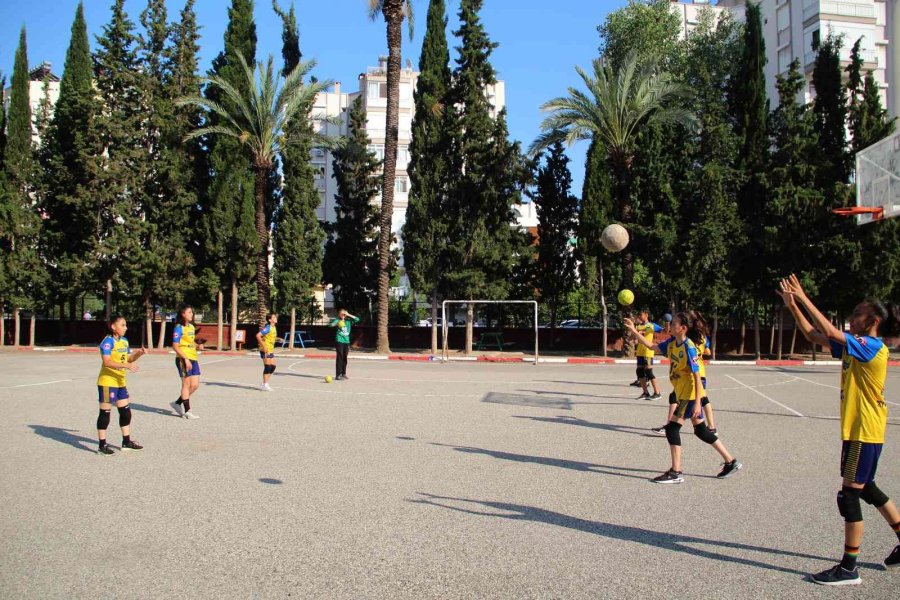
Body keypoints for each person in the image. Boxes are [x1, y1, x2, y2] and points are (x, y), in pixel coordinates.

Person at [779, 274, 900, 585]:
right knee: (866, 488)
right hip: (860, 431)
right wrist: (793, 306)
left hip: (863, 431)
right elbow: (813, 334)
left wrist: (804, 296)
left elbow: (831, 330)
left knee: (849, 496)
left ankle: (849, 568)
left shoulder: (871, 346)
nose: (852, 316)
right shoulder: (856, 347)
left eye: (858, 313)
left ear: (872, 320)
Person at [624, 313, 742, 483]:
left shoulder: (689, 347)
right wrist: (634, 331)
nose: (670, 325)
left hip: (690, 394)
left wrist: (696, 403)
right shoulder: (672, 343)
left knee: (672, 429)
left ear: (683, 328)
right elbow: (650, 346)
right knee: (701, 431)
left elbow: (696, 375)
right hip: (683, 392)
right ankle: (731, 461)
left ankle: (675, 472)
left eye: (674, 323)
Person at [96, 315, 145, 455]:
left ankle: (126, 442)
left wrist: (139, 354)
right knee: (105, 413)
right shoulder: (107, 342)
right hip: (107, 382)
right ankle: (102, 445)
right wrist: (126, 365)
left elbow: (129, 358)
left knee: (125, 412)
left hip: (120, 382)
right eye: (122, 325)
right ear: (113, 326)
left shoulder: (124, 341)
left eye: (126, 325)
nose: (126, 327)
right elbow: (106, 362)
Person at [170, 304, 201, 419]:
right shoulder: (179, 327)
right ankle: (188, 411)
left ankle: (177, 403)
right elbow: (175, 346)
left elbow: (191, 343)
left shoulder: (192, 327)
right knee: (186, 384)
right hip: (183, 358)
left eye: (192, 312)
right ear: (183, 314)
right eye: (189, 312)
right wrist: (185, 359)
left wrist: (198, 345)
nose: (192, 314)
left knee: (195, 385)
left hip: (193, 357)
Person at [632, 309, 664, 400]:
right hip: (640, 352)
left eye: (641, 315)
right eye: (638, 315)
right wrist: (635, 333)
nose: (639, 317)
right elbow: (633, 338)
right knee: (639, 372)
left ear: (646, 315)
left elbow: (664, 331)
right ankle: (645, 393)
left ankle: (657, 393)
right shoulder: (638, 326)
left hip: (648, 351)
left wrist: (668, 323)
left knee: (649, 372)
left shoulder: (652, 325)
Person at [330, 309, 359, 380]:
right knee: (340, 357)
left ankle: (343, 373)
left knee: (345, 358)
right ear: (339, 314)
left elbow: (357, 319)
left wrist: (348, 314)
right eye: (341, 314)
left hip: (346, 341)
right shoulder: (337, 320)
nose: (343, 315)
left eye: (344, 314)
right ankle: (338, 375)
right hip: (339, 340)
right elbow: (330, 325)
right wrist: (336, 323)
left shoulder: (348, 321)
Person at [256, 312, 278, 392]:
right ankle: (265, 384)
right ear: (270, 320)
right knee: (268, 367)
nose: (276, 318)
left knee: (273, 367)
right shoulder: (268, 327)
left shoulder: (273, 327)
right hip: (265, 350)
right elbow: (258, 335)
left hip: (270, 350)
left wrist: (278, 339)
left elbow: (270, 337)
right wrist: (264, 346)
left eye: (275, 317)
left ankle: (264, 383)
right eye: (274, 317)